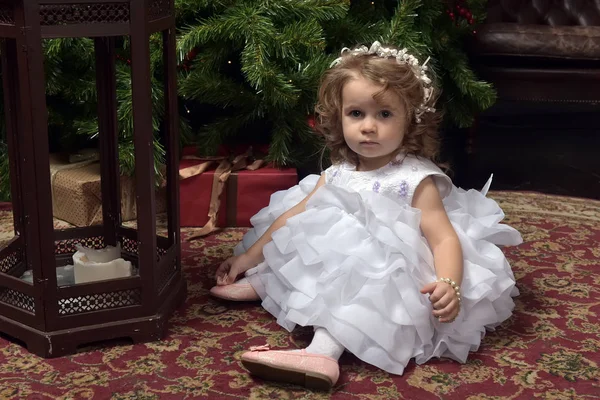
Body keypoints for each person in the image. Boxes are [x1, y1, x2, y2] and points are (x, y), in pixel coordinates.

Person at [209, 42, 522, 390]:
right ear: (339, 116)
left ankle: (322, 352)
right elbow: (294, 217)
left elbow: (443, 236)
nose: (368, 126)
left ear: (411, 121)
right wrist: (248, 259)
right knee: (306, 227)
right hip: (338, 254)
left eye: (384, 115)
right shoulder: (339, 171)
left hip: (389, 267)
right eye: (356, 114)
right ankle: (270, 281)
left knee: (358, 265)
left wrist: (449, 283)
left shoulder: (414, 179)